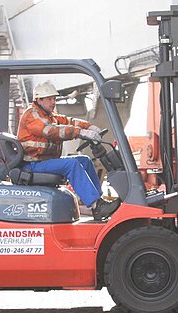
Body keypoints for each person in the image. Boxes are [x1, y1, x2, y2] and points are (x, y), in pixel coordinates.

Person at [17, 81, 120, 220]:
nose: (53, 102)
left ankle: (99, 204)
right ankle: (96, 205)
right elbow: (50, 131)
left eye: (54, 98)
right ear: (39, 99)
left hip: (44, 161)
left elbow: (68, 121)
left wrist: (89, 127)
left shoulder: (48, 114)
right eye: (49, 99)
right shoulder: (32, 115)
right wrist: (80, 133)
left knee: (84, 160)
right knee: (71, 165)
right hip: (33, 163)